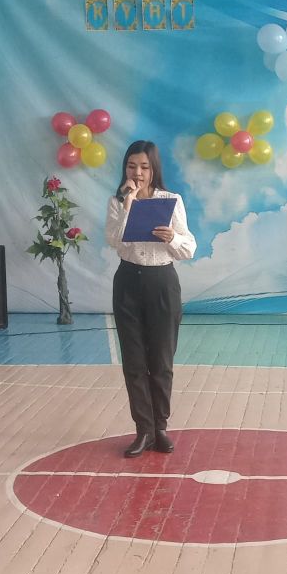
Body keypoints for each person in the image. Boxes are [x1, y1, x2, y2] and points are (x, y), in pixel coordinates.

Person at [105, 140, 196, 457]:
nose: (138, 173)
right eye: (132, 166)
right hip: (128, 282)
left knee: (161, 361)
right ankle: (143, 430)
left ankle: (161, 428)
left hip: (162, 283)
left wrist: (173, 238)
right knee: (134, 362)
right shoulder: (117, 202)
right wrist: (128, 204)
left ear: (154, 169)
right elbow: (114, 240)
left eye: (144, 167)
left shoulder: (171, 200)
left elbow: (189, 249)